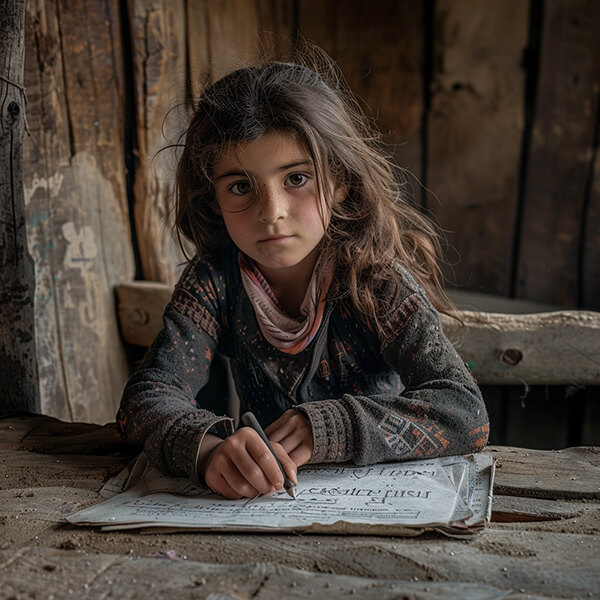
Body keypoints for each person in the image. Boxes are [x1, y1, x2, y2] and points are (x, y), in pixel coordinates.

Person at [116, 59, 489, 500]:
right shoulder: (215, 279)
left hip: (370, 500)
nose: (271, 211)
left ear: (340, 182)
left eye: (296, 178)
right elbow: (146, 398)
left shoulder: (376, 281)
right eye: (240, 186)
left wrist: (332, 427)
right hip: (263, 506)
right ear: (212, 197)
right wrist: (206, 450)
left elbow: (465, 412)